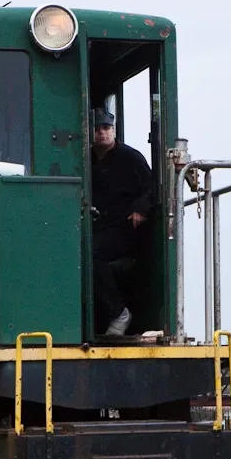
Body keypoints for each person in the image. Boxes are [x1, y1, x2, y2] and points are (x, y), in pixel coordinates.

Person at [90, 107, 153, 336]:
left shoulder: (131, 157)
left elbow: (153, 186)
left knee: (91, 255)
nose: (101, 133)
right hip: (96, 226)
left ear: (113, 130)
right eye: (96, 129)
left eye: (106, 128)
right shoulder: (84, 158)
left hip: (124, 229)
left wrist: (140, 209)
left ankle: (119, 313)